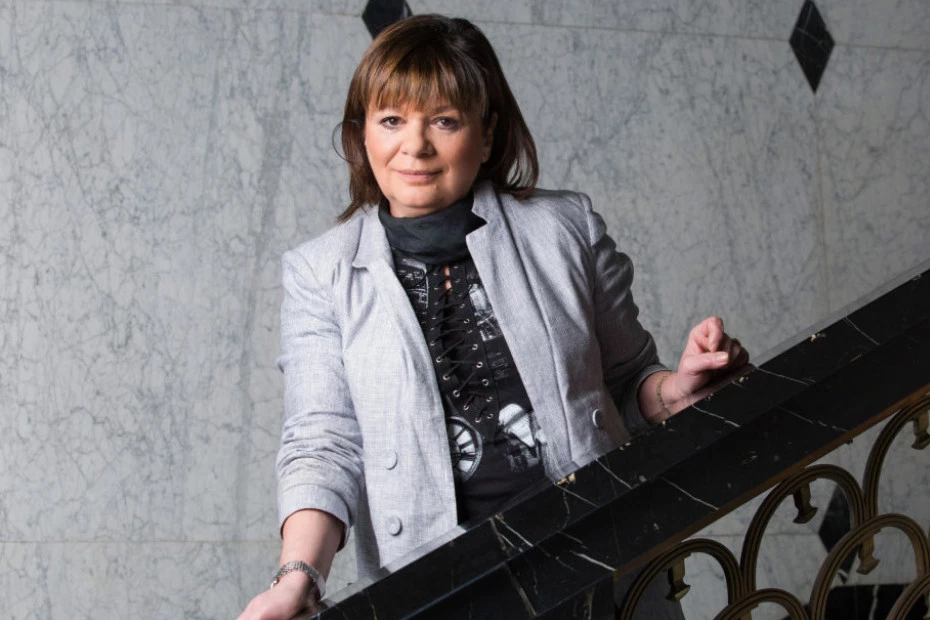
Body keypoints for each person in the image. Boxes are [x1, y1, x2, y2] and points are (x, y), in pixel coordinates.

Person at [239, 14, 748, 620]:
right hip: (438, 586)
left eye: (445, 120)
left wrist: (678, 389)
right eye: (391, 120)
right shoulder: (318, 272)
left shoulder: (565, 230)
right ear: (361, 137)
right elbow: (323, 444)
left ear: (486, 136)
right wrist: (297, 577)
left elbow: (629, 380)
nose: (415, 146)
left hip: (597, 559)